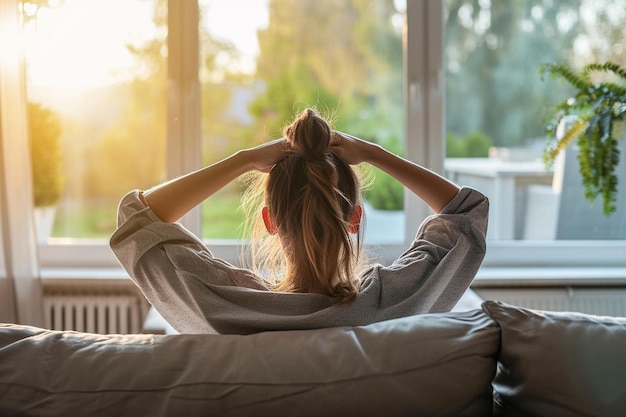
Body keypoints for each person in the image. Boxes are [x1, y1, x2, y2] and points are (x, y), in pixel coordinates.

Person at [110, 108, 489, 335]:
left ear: (269, 221)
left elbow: (135, 218)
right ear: (355, 219)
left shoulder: (226, 304)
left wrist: (242, 159)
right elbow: (467, 211)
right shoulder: (393, 301)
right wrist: (374, 153)